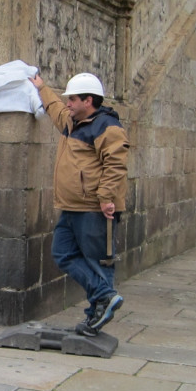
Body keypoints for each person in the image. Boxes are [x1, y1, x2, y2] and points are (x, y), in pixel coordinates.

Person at [30, 71, 129, 337]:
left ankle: (96, 313)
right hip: (72, 205)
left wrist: (107, 197)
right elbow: (55, 110)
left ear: (88, 100)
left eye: (73, 99)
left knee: (98, 262)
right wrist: (42, 88)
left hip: (94, 208)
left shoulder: (107, 127)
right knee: (62, 253)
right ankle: (105, 298)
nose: (68, 104)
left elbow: (116, 164)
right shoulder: (72, 121)